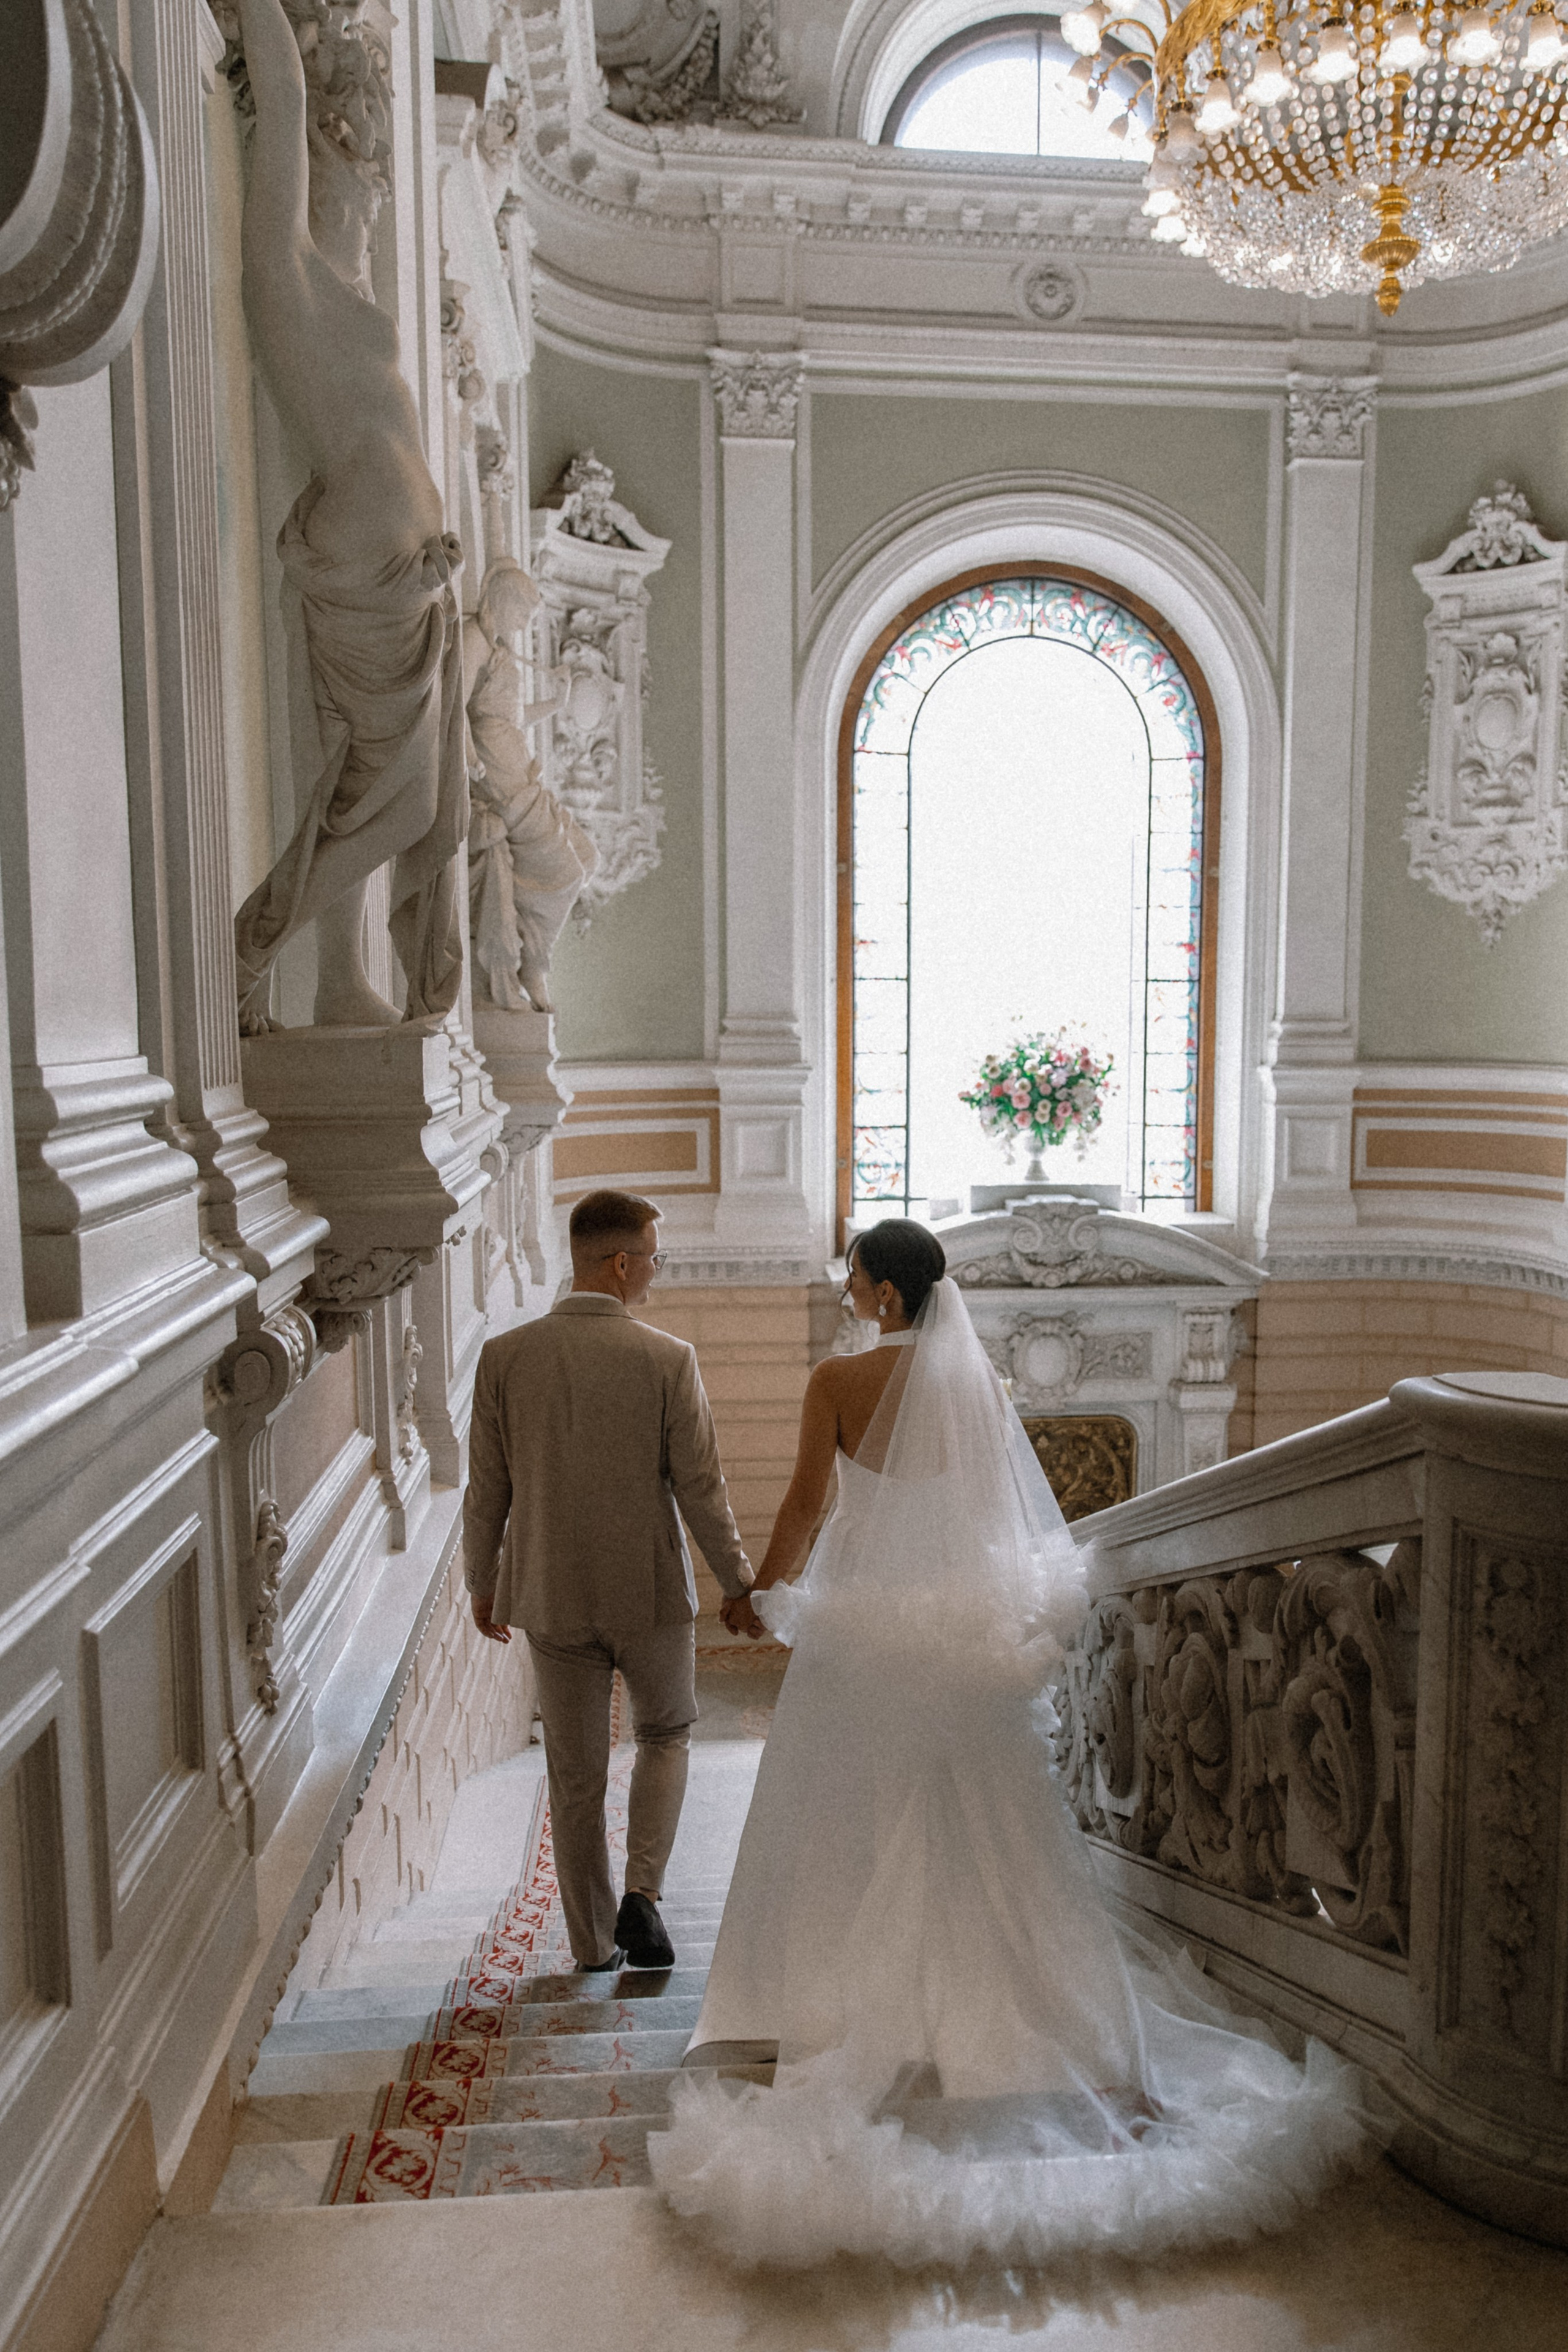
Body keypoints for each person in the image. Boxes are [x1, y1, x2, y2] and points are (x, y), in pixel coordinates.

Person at [649, 1218, 1385, 2268]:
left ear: (889, 1296)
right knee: (984, 1809)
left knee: (847, 1803)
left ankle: (819, 2001)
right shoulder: (979, 1387)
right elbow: (993, 1518)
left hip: (867, 1631)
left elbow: (811, 1504)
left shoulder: (838, 1384)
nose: (846, 1288)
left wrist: (763, 1589)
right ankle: (1016, 2004)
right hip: (960, 1630)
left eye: (854, 1276)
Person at [224, 0, 467, 1031]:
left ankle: (327, 976)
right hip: (366, 573)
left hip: (395, 576)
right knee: (403, 803)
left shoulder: (337, 283)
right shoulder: (284, 284)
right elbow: (280, 101)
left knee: (389, 796)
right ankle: (251, 942)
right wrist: (279, 30)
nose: (366, 181)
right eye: (350, 160)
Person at [462, 1189, 756, 1972]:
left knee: (575, 1772)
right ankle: (644, 1898)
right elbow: (703, 1488)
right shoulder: (667, 1359)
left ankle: (592, 1946)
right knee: (664, 1736)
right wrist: (739, 1582)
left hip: (550, 1595)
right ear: (621, 1262)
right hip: (649, 1595)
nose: (655, 1275)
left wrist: (480, 1581)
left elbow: (487, 1487)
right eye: (654, 1259)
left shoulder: (504, 1357)